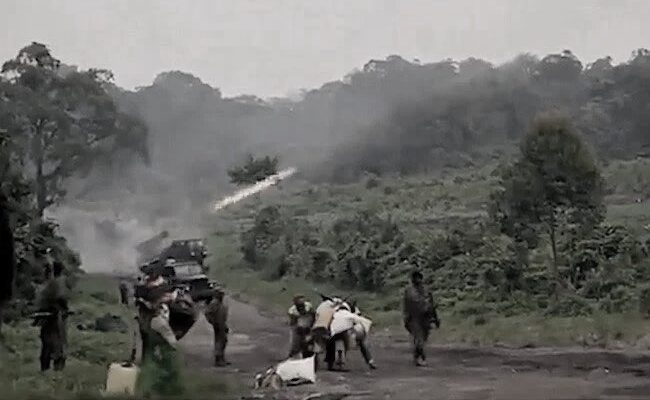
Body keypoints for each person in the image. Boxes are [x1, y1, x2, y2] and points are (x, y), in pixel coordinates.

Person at [35, 261, 69, 372]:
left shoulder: (47, 284)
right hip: (55, 317)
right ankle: (56, 369)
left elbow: (41, 301)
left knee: (47, 343)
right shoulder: (58, 282)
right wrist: (65, 309)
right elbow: (60, 298)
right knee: (58, 343)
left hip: (46, 317)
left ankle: (45, 368)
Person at [403, 270, 440, 367]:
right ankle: (422, 357)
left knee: (423, 338)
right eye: (415, 278)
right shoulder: (409, 291)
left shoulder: (427, 291)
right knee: (419, 339)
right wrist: (406, 318)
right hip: (414, 319)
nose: (417, 280)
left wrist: (435, 319)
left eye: (418, 278)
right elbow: (406, 306)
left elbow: (432, 305)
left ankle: (416, 356)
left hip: (425, 318)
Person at [205, 287, 229, 367]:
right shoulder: (214, 303)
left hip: (221, 324)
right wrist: (213, 322)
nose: (222, 295)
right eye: (221, 294)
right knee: (220, 342)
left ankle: (221, 359)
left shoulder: (219, 302)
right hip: (218, 324)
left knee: (223, 341)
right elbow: (208, 313)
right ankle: (218, 360)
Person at [349, 300, 377, 369]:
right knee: (363, 345)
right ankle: (370, 361)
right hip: (360, 329)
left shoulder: (345, 312)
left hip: (353, 329)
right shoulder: (356, 312)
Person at [287, 295, 315, 359]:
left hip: (308, 325)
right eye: (300, 306)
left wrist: (311, 328)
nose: (302, 307)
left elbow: (313, 316)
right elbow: (294, 324)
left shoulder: (308, 306)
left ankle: (309, 357)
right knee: (295, 346)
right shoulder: (292, 311)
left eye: (302, 305)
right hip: (297, 328)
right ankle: (291, 358)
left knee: (309, 344)